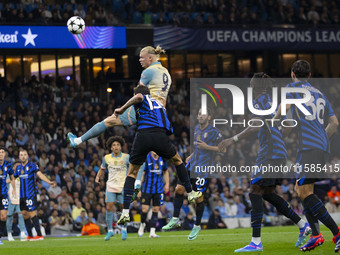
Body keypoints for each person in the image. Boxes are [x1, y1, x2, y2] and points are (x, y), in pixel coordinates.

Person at [218, 73, 311, 253]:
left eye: (251, 85)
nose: (250, 88)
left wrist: (233, 139)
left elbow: (256, 125)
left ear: (257, 86)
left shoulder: (259, 101)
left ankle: (256, 242)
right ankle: (302, 224)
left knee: (254, 191)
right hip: (279, 152)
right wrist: (277, 138)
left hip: (269, 153)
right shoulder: (272, 101)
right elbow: (289, 125)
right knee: (267, 193)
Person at [273, 60, 340, 252]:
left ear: (293, 74)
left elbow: (282, 111)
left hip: (308, 147)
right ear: (309, 75)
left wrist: (270, 121)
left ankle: (336, 233)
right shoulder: (319, 93)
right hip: (320, 146)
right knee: (302, 188)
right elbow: (334, 123)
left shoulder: (292, 88)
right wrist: (322, 138)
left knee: (304, 192)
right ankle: (317, 235)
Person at [114, 85, 202, 225]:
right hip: (160, 135)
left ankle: (125, 212)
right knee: (178, 161)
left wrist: (122, 109)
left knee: (131, 173)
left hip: (143, 134)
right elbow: (167, 126)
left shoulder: (142, 97)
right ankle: (191, 193)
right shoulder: (160, 105)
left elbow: (138, 97)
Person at [67, 45, 171, 147]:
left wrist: (123, 108)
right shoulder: (166, 72)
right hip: (160, 113)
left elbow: (139, 94)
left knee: (108, 121)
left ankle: (77, 141)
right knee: (158, 147)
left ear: (150, 58)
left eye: (142, 57)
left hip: (146, 109)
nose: (140, 60)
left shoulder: (148, 72)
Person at [162, 108, 223, 241]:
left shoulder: (215, 132)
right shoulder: (196, 129)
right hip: (191, 166)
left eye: (204, 114)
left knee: (198, 198)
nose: (200, 116)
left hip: (203, 169)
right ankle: (175, 218)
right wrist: (190, 156)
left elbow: (222, 149)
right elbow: (197, 147)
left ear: (209, 117)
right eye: (199, 113)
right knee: (178, 189)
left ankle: (197, 225)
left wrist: (207, 147)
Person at [14, 148, 56, 241]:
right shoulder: (18, 168)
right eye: (21, 155)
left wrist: (49, 182)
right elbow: (13, 178)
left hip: (30, 194)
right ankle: (30, 235)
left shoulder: (32, 165)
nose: (23, 156)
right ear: (19, 156)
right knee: (24, 214)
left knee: (32, 213)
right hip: (22, 195)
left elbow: (40, 175)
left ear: (27, 156)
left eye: (25, 154)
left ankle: (39, 235)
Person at [95, 136, 129, 241]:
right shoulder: (106, 158)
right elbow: (102, 168)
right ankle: (110, 231)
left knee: (124, 208)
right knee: (109, 207)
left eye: (118, 145)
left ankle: (124, 229)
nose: (116, 147)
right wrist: (97, 177)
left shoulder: (126, 157)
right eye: (114, 145)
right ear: (111, 147)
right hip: (110, 185)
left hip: (123, 185)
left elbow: (133, 168)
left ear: (121, 147)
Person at [138, 151, 169, 238]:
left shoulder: (162, 159)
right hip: (147, 189)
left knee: (155, 209)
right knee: (145, 209)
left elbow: (166, 171)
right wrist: (139, 189)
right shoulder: (146, 159)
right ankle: (142, 224)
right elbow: (142, 174)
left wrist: (167, 184)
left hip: (158, 189)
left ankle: (152, 232)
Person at [6, 161, 26, 241]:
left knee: (21, 215)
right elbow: (4, 183)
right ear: (13, 167)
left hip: (19, 198)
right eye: (17, 166)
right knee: (9, 216)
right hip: (10, 198)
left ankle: (22, 233)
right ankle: (9, 234)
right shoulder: (8, 175)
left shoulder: (22, 176)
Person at [0, 146, 16, 245]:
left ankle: (0, 237)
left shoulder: (8, 165)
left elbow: (12, 178)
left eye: (2, 152)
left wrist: (13, 189)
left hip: (3, 194)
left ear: (5, 154)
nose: (1, 153)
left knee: (3, 217)